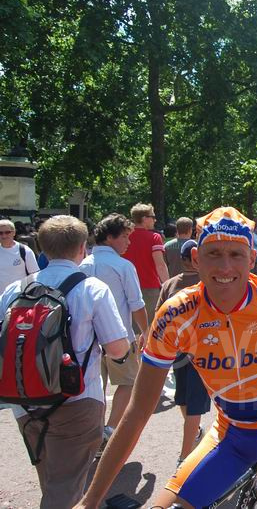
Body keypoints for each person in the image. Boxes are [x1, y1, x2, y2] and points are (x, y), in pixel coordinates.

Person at [79, 207, 257, 508]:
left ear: (252, 260)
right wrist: (90, 500)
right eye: (214, 254)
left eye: (236, 255)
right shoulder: (177, 314)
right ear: (196, 260)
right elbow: (137, 411)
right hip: (231, 436)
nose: (225, 267)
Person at [4, 215, 130, 508]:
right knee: (66, 488)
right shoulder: (92, 288)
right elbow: (115, 348)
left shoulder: (15, 290)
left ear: (41, 247)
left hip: (23, 399)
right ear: (82, 247)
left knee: (50, 478)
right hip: (77, 398)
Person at [79, 214, 148, 451]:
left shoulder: (83, 265)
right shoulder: (123, 266)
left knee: (94, 386)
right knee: (129, 382)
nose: (128, 242)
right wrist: (145, 331)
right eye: (125, 236)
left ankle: (93, 431)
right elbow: (136, 304)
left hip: (86, 339)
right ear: (110, 238)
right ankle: (109, 430)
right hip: (119, 337)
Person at [155, 239, 210, 467]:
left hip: (179, 350)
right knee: (192, 403)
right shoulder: (208, 284)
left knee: (184, 399)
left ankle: (189, 447)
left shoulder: (169, 285)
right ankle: (187, 453)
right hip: (203, 352)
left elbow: (158, 316)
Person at [122, 203, 169, 317]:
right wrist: (168, 286)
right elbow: (160, 265)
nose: (155, 220)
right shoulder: (154, 238)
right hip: (149, 288)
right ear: (144, 219)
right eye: (152, 217)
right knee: (150, 327)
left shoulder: (124, 236)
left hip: (125, 287)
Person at [0, 218, 40, 293]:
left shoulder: (24, 251)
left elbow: (34, 275)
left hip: (19, 297)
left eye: (7, 232)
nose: (4, 236)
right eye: (0, 233)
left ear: (14, 233)